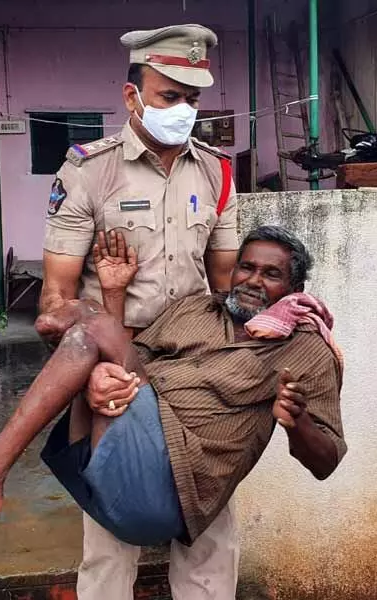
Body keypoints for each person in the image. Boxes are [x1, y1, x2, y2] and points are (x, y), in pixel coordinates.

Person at [0, 226, 347, 570]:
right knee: (93, 342)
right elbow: (130, 359)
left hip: (176, 485)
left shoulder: (305, 348)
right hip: (126, 451)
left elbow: (326, 461)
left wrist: (298, 423)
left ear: (295, 289)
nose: (252, 279)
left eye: (271, 274)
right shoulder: (195, 309)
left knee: (91, 328)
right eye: (246, 266)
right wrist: (101, 367)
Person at [38, 22, 241, 599]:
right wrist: (90, 372)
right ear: (133, 96)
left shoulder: (217, 172)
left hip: (198, 377)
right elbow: (55, 300)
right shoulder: (88, 170)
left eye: (192, 99)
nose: (182, 109)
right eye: (169, 96)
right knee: (109, 541)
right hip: (116, 368)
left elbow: (227, 289)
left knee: (208, 535)